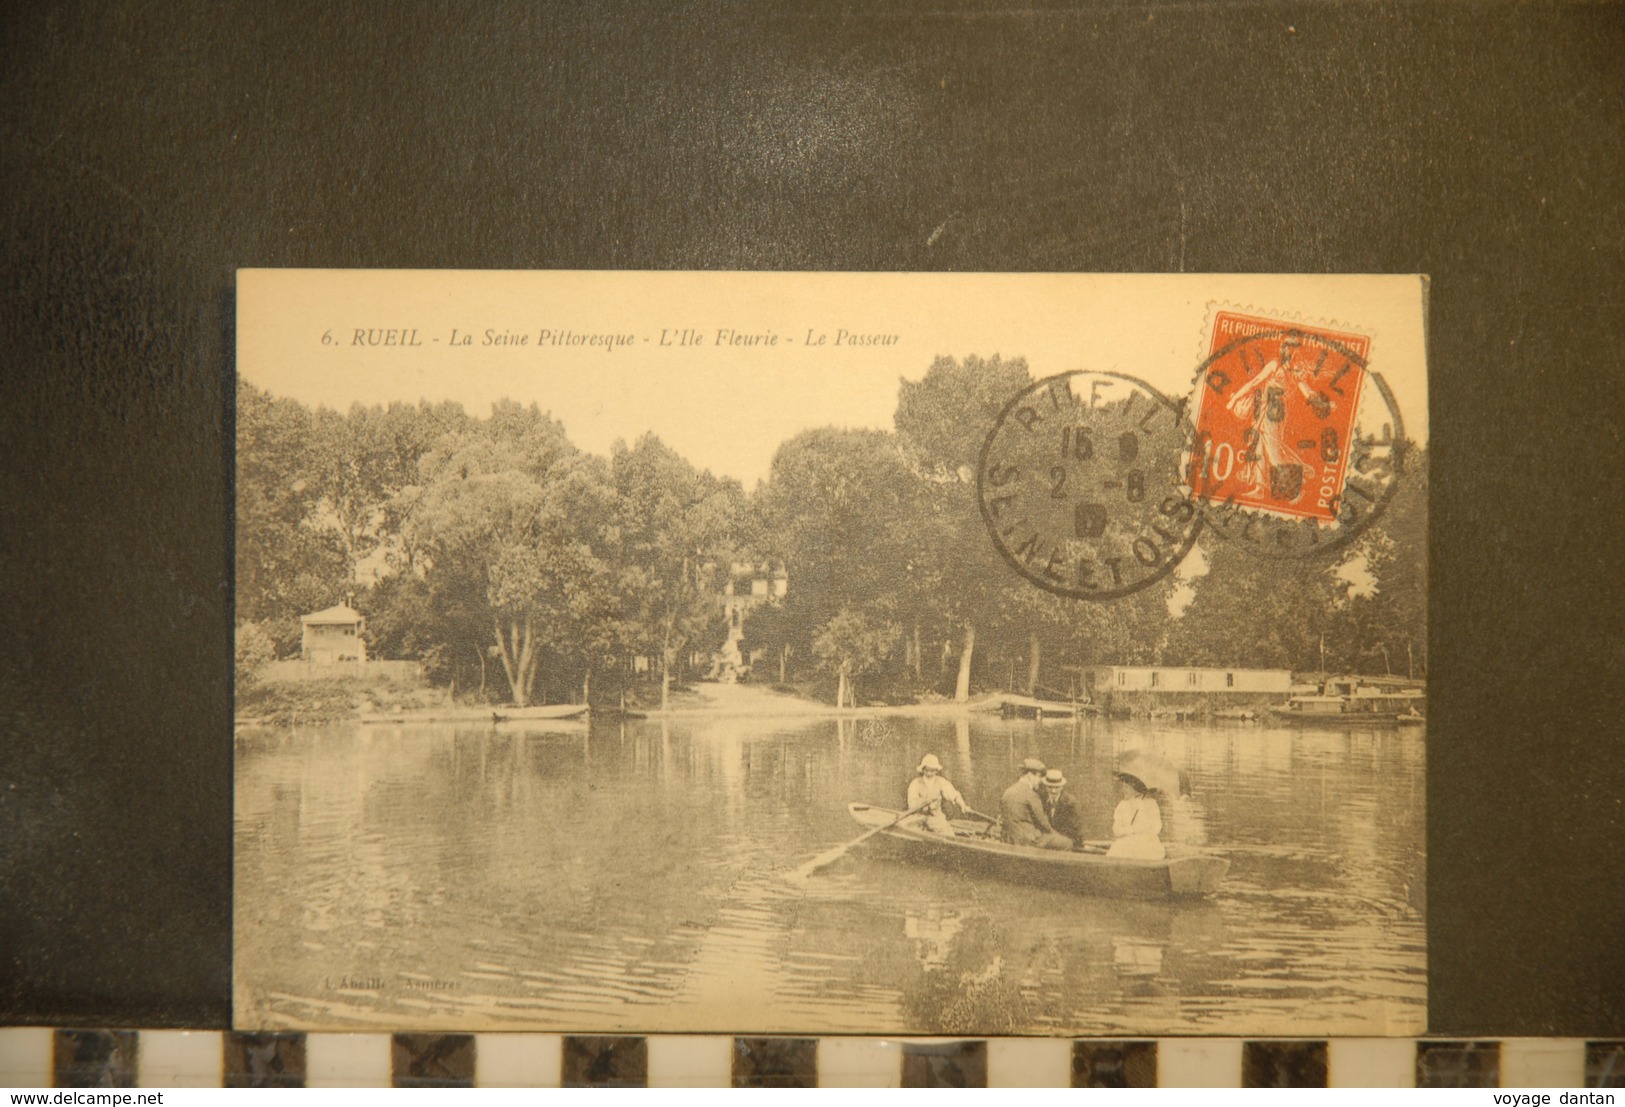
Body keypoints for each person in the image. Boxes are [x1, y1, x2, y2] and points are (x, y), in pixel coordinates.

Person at [1000, 757, 1072, 850]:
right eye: (1039, 776)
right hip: (1027, 841)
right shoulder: (1031, 795)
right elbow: (1044, 824)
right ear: (1030, 775)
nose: (1040, 780)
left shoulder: (1008, 791)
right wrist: (1058, 837)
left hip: (1009, 838)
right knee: (1067, 842)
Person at [1107, 772, 1166, 860]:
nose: (1123, 790)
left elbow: (1157, 827)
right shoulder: (1122, 805)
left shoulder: (1151, 804)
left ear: (1135, 788)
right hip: (1125, 842)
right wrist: (1130, 830)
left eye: (1126, 787)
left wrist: (1140, 830)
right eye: (1123, 787)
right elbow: (1116, 830)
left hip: (1146, 843)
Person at [905, 753, 967, 836]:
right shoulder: (915, 783)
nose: (929, 773)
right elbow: (911, 804)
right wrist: (924, 802)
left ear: (936, 770)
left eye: (932, 771)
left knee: (949, 835)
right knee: (910, 832)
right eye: (927, 770)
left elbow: (953, 794)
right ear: (923, 770)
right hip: (917, 817)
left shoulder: (941, 782)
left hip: (936, 818)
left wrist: (962, 804)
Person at [1039, 768, 1084, 845]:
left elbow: (1075, 832)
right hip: (1050, 843)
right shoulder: (1041, 799)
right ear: (1046, 787)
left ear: (1062, 787)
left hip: (1068, 844)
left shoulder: (1071, 803)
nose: (1053, 791)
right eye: (1050, 787)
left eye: (1056, 787)